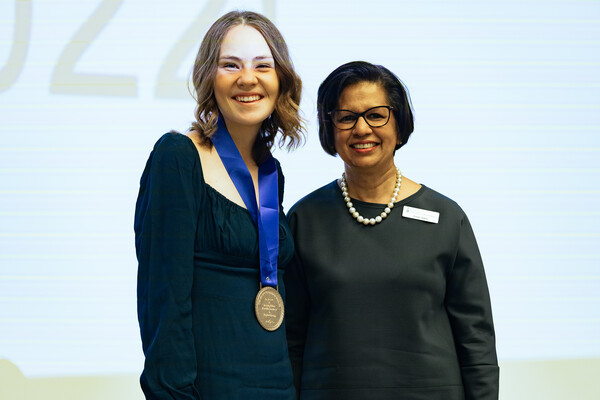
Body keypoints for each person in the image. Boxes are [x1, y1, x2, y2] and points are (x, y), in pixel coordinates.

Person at [284, 61, 499, 400]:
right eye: (346, 117)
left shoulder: (446, 218)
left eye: (376, 115)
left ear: (399, 123)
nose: (361, 128)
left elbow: (476, 338)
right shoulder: (303, 219)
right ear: (330, 130)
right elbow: (291, 340)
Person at [134, 11, 303, 400]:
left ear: (281, 81)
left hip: (279, 387)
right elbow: (164, 302)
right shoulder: (178, 156)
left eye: (264, 65)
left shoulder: (270, 174)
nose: (248, 78)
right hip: (210, 389)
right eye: (231, 65)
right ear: (210, 76)